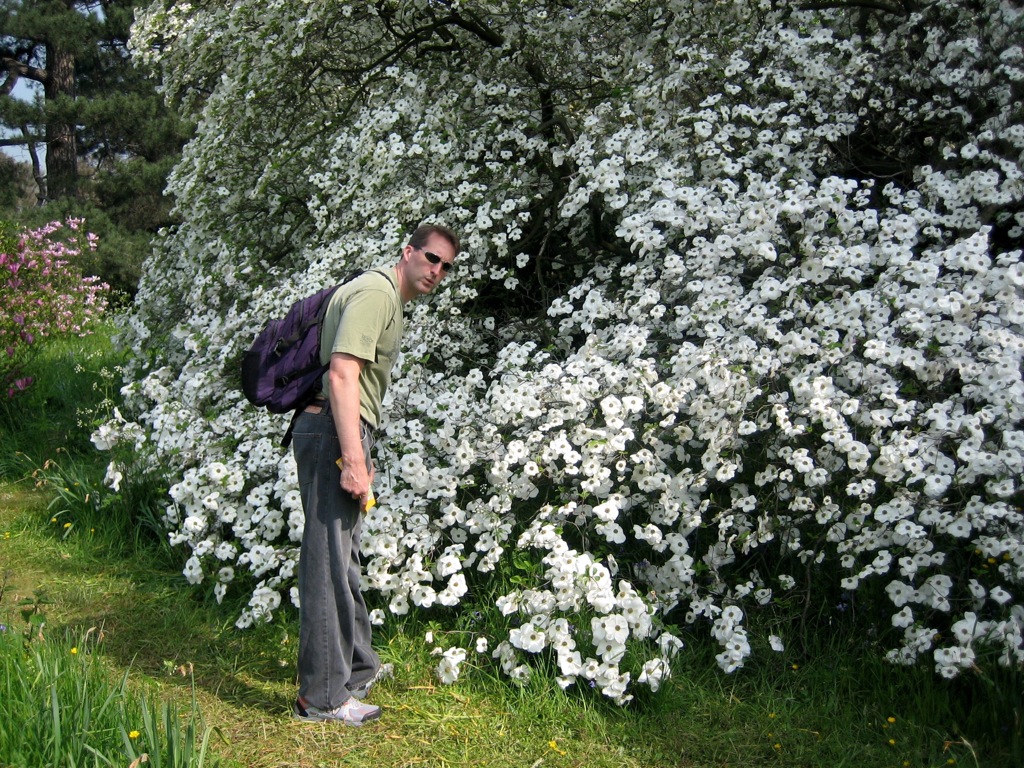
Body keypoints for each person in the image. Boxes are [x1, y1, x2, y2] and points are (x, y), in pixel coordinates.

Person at [291, 223, 460, 725]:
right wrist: (353, 460)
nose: (437, 270)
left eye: (447, 266)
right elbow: (343, 372)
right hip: (334, 433)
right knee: (327, 562)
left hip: (340, 431)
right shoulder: (377, 293)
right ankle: (321, 697)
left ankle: (358, 668)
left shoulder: (385, 296)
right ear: (408, 252)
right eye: (431, 258)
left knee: (343, 558)